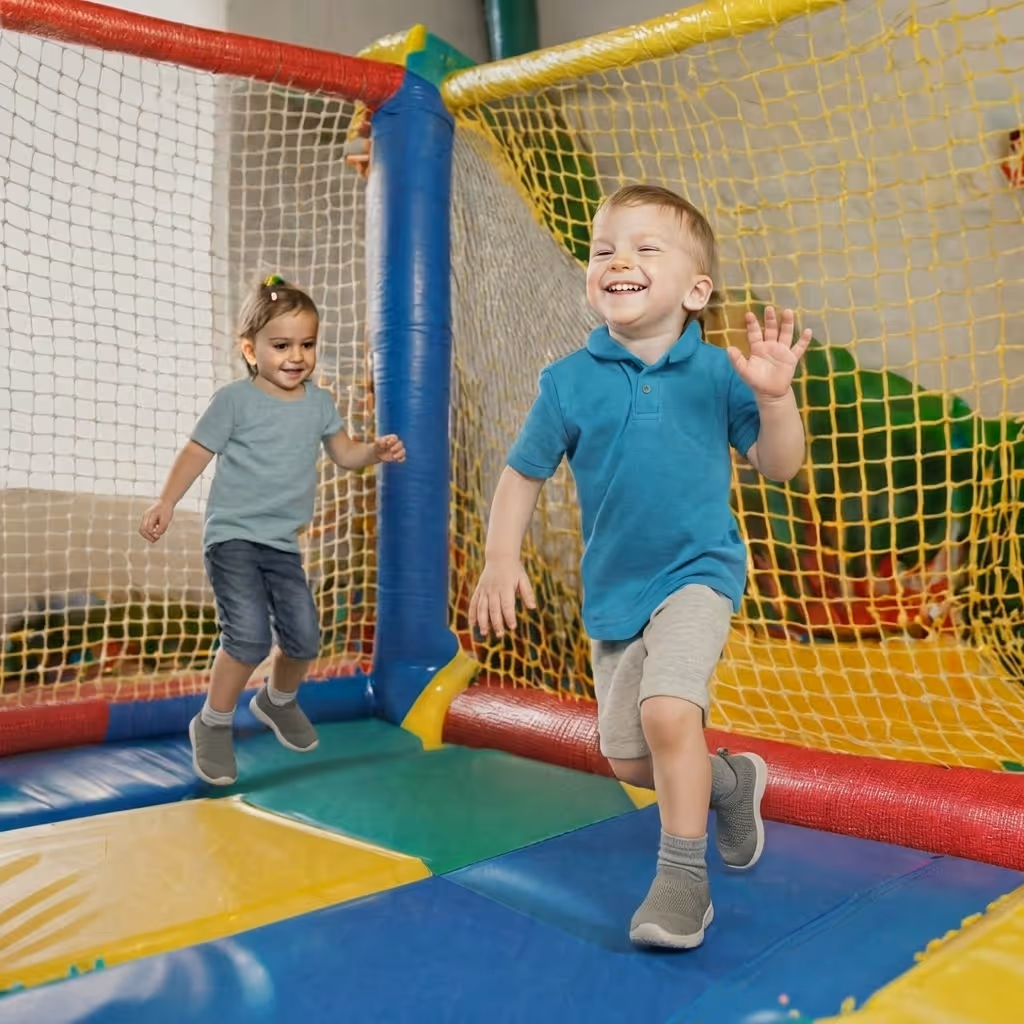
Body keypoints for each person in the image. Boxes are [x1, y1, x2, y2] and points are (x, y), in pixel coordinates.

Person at [469, 185, 810, 950]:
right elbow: (523, 473)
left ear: (696, 290)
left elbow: (779, 465)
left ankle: (682, 881)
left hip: (699, 572)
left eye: (644, 247)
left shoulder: (720, 373)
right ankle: (731, 783)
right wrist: (500, 557)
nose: (618, 259)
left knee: (668, 715)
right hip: (616, 590)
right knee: (628, 754)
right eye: (603, 250)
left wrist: (777, 400)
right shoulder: (568, 380)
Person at [139, 275, 406, 786]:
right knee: (247, 638)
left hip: (282, 545)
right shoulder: (234, 401)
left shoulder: (319, 403)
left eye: (306, 344)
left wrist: (373, 451)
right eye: (281, 345)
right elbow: (197, 451)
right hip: (233, 538)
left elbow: (345, 453)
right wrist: (166, 500)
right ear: (250, 348)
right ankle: (213, 723)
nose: (296, 356)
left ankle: (276, 701)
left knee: (305, 639)